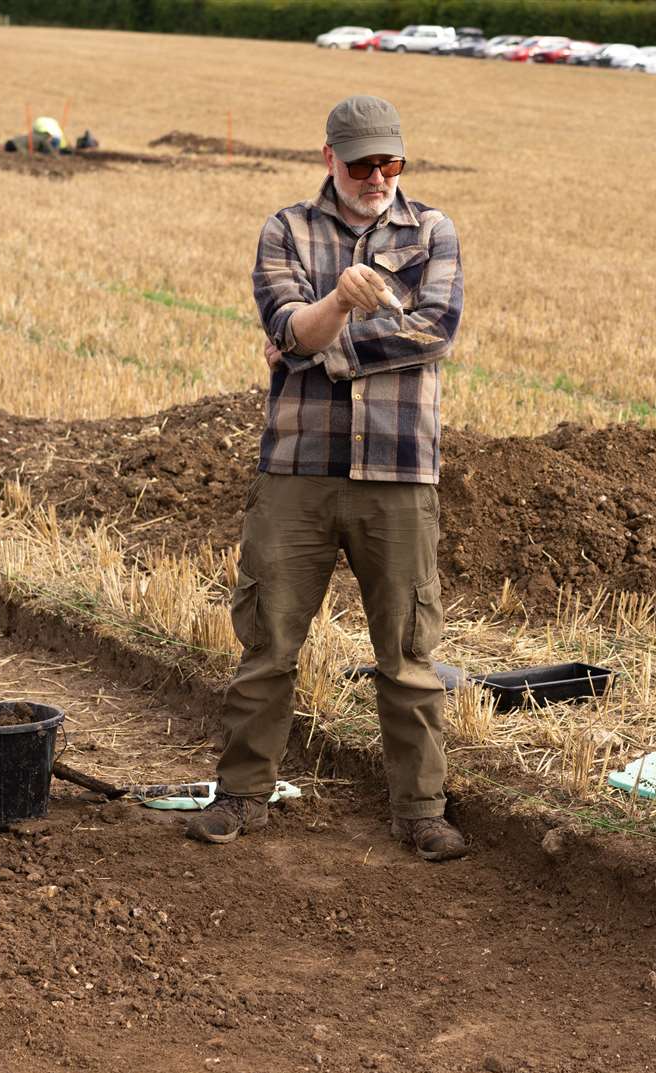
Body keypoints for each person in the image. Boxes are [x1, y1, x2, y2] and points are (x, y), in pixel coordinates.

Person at [185, 95, 467, 861]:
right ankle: (241, 795)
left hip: (400, 472)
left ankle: (419, 809)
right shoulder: (286, 229)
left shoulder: (432, 230)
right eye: (362, 163)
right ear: (329, 160)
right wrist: (337, 302)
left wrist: (324, 346)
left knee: (408, 652)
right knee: (267, 645)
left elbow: (434, 331)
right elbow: (285, 324)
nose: (377, 176)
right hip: (296, 471)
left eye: (390, 162)